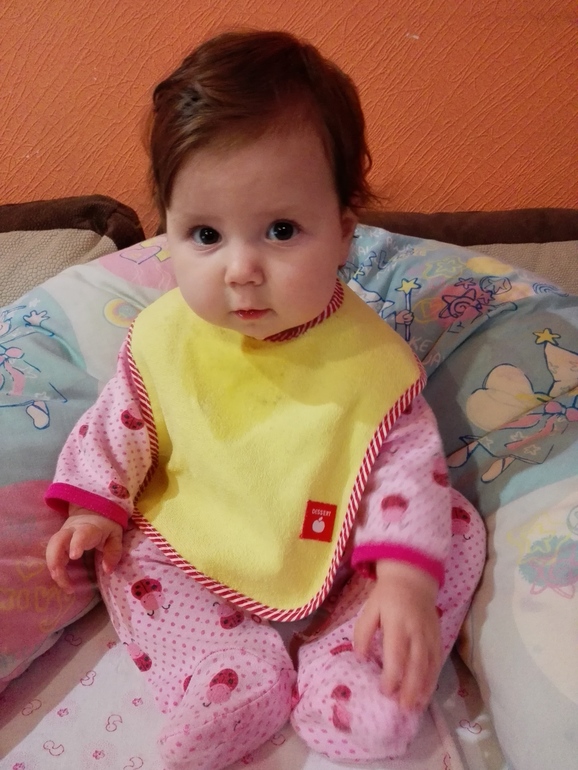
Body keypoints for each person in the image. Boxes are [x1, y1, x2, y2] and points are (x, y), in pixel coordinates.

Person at [45, 29, 486, 769]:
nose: (242, 269)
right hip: (196, 533)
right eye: (205, 234)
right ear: (167, 232)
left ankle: (354, 665)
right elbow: (119, 424)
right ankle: (223, 675)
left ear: (344, 232)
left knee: (453, 530)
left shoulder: (370, 360)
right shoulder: (163, 337)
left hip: (335, 543)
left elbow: (407, 471)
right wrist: (95, 508)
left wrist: (406, 579)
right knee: (126, 552)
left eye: (281, 230)